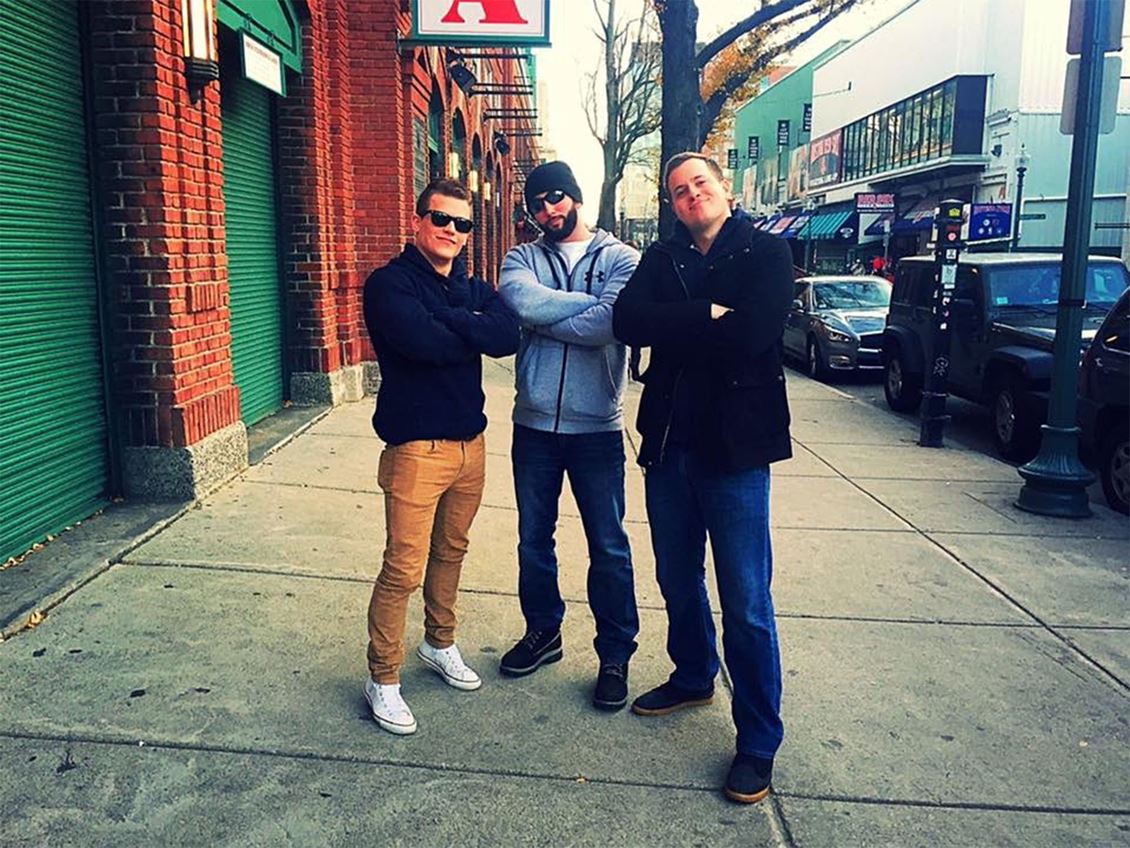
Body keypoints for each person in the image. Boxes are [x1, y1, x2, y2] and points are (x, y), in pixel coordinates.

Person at [612, 152, 794, 804]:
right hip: (670, 447)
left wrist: (685, 325)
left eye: (700, 186)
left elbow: (754, 336)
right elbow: (627, 322)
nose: (691, 197)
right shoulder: (662, 258)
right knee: (676, 578)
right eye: (679, 192)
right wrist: (705, 315)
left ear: (725, 190)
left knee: (746, 601)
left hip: (736, 455)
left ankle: (758, 742)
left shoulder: (766, 254)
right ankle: (693, 675)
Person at [361, 178, 520, 736]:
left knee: (451, 552)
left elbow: (507, 335)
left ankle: (439, 642)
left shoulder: (470, 285)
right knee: (403, 567)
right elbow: (423, 344)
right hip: (416, 451)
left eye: (462, 224)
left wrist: (457, 323)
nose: (451, 231)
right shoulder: (389, 285)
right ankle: (382, 678)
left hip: (469, 447)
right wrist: (468, 325)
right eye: (441, 219)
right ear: (418, 221)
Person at [497, 160, 641, 712]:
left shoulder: (622, 258)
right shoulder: (520, 258)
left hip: (597, 430)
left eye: (556, 198)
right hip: (533, 425)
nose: (548, 210)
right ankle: (543, 632)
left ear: (576, 197)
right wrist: (592, 309)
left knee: (608, 544)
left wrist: (546, 318)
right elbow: (520, 301)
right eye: (536, 204)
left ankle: (614, 653)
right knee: (534, 540)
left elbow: (612, 323)